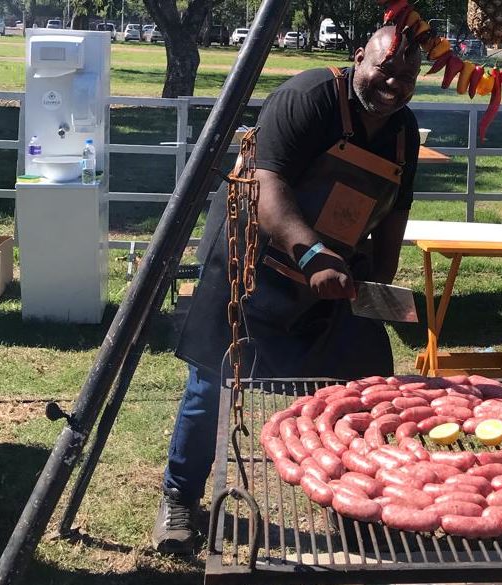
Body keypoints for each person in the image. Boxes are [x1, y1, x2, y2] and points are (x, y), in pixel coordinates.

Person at [152, 25, 422, 554]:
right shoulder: (308, 98)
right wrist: (313, 254)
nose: (394, 82)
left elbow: (396, 214)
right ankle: (180, 498)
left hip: (333, 276)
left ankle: (352, 505)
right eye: (384, 67)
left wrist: (378, 287)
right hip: (254, 260)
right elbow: (267, 187)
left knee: (360, 387)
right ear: (357, 56)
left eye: (408, 74)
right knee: (213, 383)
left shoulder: (402, 131)